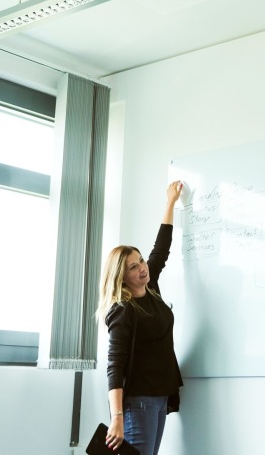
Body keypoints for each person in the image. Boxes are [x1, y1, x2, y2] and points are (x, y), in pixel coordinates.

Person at [97, 180, 184, 455]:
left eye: (141, 261)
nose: (142, 269)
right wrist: (117, 417)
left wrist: (170, 202)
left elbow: (161, 248)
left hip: (159, 397)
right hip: (139, 402)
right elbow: (115, 366)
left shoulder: (151, 288)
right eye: (133, 267)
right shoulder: (123, 309)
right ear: (121, 276)